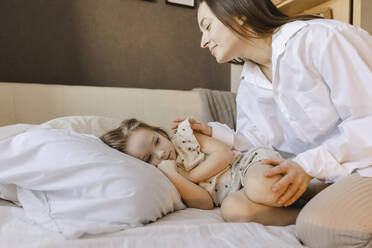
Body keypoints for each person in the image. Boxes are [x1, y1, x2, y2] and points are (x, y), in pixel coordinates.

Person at [172, 0, 372, 247]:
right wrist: (214, 132)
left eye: (207, 26)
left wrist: (308, 166)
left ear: (238, 15)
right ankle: (317, 202)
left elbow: (367, 121)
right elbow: (259, 142)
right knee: (236, 208)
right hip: (320, 174)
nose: (203, 41)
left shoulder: (321, 39)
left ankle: (313, 213)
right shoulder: (250, 82)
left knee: (319, 227)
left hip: (363, 164)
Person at [100, 118, 307, 223]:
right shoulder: (167, 178)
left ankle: (312, 189)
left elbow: (224, 155)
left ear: (159, 132)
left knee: (260, 186)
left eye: (156, 141)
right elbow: (206, 203)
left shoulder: (186, 140)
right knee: (232, 211)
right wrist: (174, 176)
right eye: (148, 158)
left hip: (248, 166)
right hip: (238, 194)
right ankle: (302, 215)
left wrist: (190, 176)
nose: (160, 154)